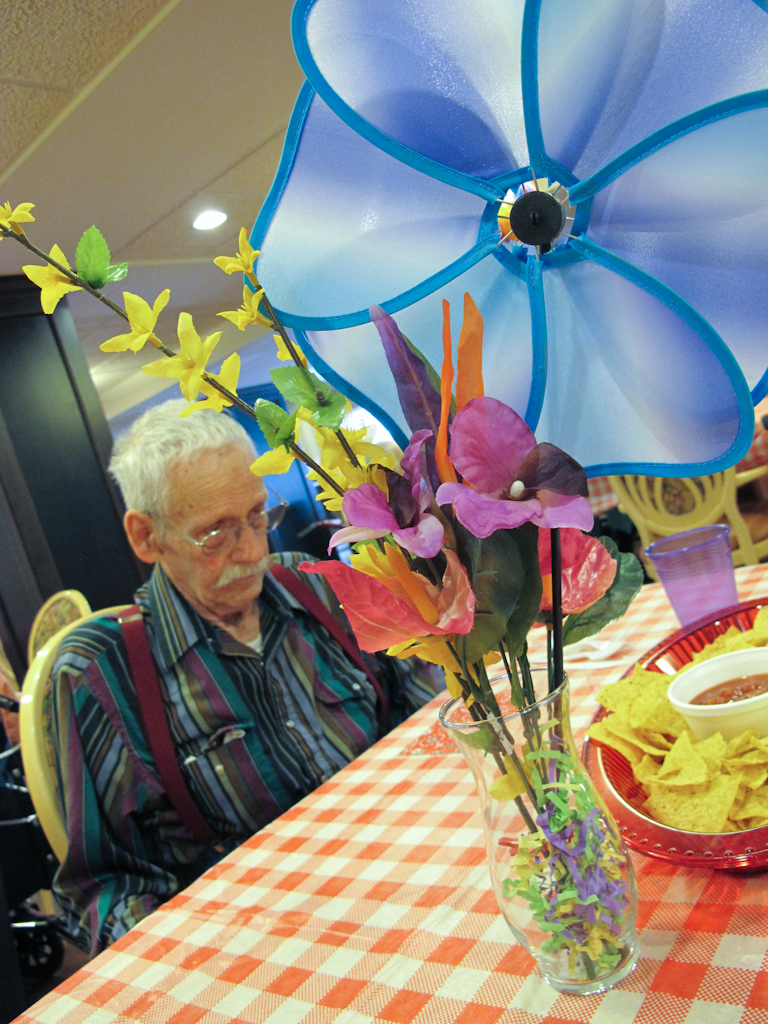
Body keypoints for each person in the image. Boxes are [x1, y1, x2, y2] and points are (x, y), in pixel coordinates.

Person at [51, 400, 443, 954]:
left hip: (412, 870)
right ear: (146, 537)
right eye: (215, 534)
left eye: (259, 515)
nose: (255, 550)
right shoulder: (105, 673)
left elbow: (427, 714)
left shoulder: (314, 587)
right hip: (263, 943)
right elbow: (106, 885)